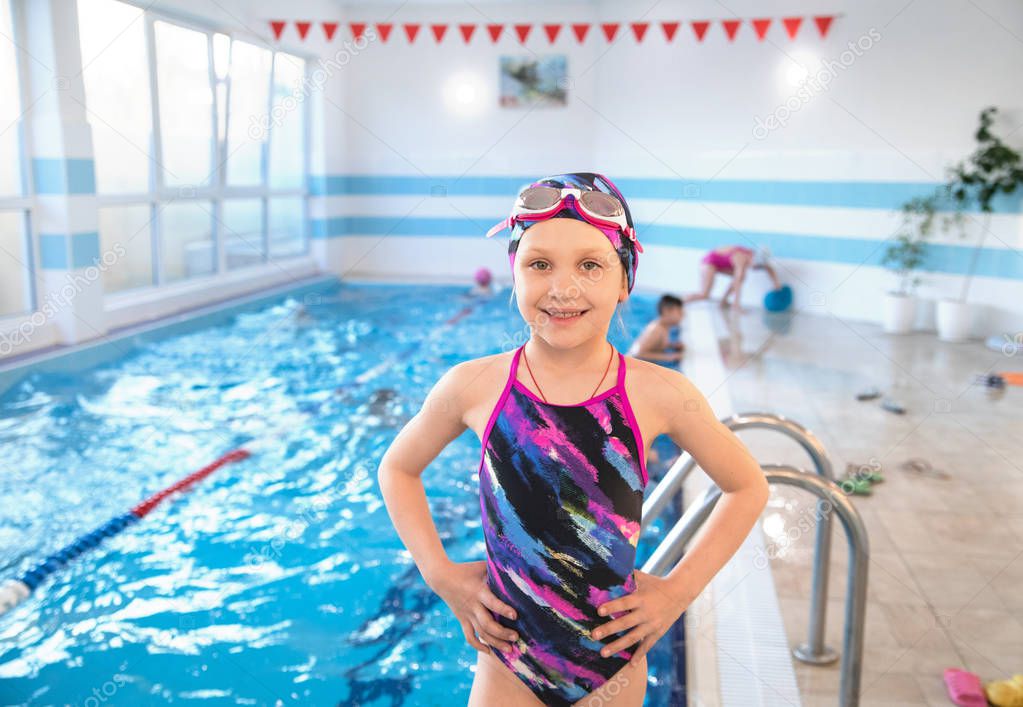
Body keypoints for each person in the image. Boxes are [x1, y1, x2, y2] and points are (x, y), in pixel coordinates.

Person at [377, 172, 769, 707]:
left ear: (624, 281)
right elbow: (397, 469)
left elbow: (747, 487)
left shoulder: (660, 392)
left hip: (610, 665)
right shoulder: (474, 385)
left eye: (590, 265)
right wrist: (438, 572)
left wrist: (679, 591)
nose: (563, 289)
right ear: (513, 275)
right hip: (507, 662)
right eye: (539, 264)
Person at [684, 244, 781, 309]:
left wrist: (777, 285)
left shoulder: (752, 255)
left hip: (717, 264)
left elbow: (769, 268)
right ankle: (679, 302)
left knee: (741, 276)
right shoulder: (741, 257)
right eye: (757, 266)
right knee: (704, 295)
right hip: (709, 263)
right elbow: (738, 281)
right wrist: (737, 303)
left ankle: (723, 301)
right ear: (754, 258)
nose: (756, 268)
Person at [628, 294, 685, 363]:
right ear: (667, 311)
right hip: (632, 363)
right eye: (679, 313)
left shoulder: (665, 327)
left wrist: (672, 345)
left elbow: (656, 344)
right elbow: (639, 354)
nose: (682, 316)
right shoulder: (656, 330)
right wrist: (671, 357)